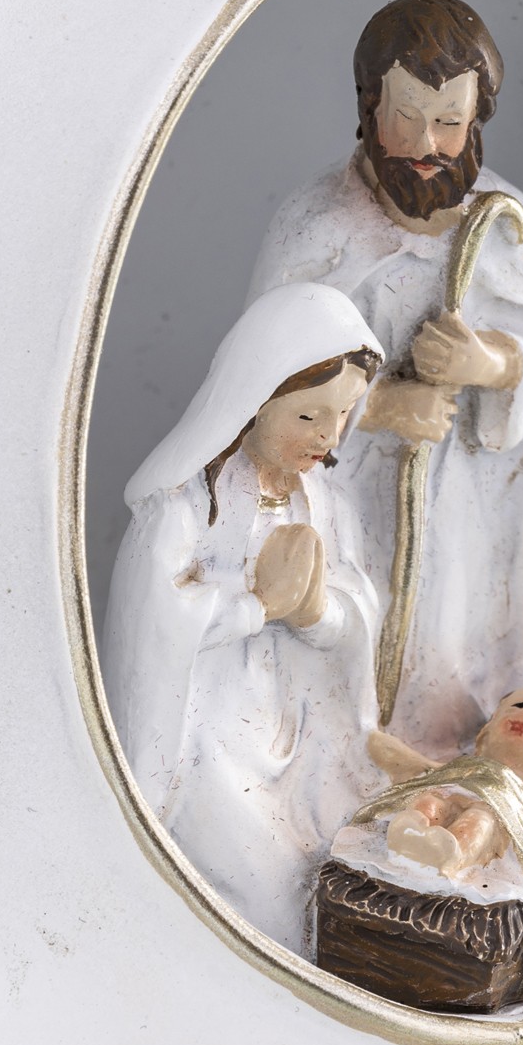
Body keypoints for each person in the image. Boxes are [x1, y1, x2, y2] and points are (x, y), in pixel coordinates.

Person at [247, 0, 523, 750]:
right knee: (344, 618)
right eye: (404, 116)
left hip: (462, 497)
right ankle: (343, 749)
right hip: (342, 486)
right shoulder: (316, 225)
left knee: (447, 624)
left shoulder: (505, 224)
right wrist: (377, 407)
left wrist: (491, 362)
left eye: (448, 121)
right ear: (368, 105)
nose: (424, 142)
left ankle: (440, 754)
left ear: (477, 118)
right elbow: (264, 367)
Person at [103, 283, 383, 952]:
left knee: (353, 861)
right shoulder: (180, 508)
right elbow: (152, 629)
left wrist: (317, 613)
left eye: (344, 413)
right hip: (206, 738)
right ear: (252, 399)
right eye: (308, 416)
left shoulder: (324, 503)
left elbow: (356, 608)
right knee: (270, 889)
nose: (329, 437)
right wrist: (258, 606)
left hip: (302, 731)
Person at [367, 687, 523, 881]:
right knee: (428, 801)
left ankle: (451, 855)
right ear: (486, 731)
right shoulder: (460, 767)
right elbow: (419, 767)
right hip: (446, 792)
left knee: (480, 820)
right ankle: (409, 837)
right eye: (519, 705)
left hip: (490, 813)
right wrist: (380, 744)